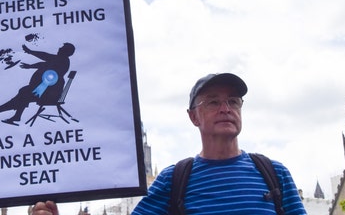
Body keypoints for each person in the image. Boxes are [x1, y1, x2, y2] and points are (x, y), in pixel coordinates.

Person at [32, 73, 306, 214]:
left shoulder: (274, 174)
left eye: (233, 101)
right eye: (213, 101)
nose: (226, 108)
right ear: (193, 117)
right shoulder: (174, 180)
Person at [0, 43, 75, 125]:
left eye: (62, 48)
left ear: (66, 51)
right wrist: (30, 66)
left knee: (24, 94)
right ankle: (12, 115)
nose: (59, 48)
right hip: (46, 90)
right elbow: (43, 63)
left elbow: (45, 57)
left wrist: (30, 52)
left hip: (50, 94)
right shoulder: (59, 60)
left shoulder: (62, 60)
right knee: (24, 93)